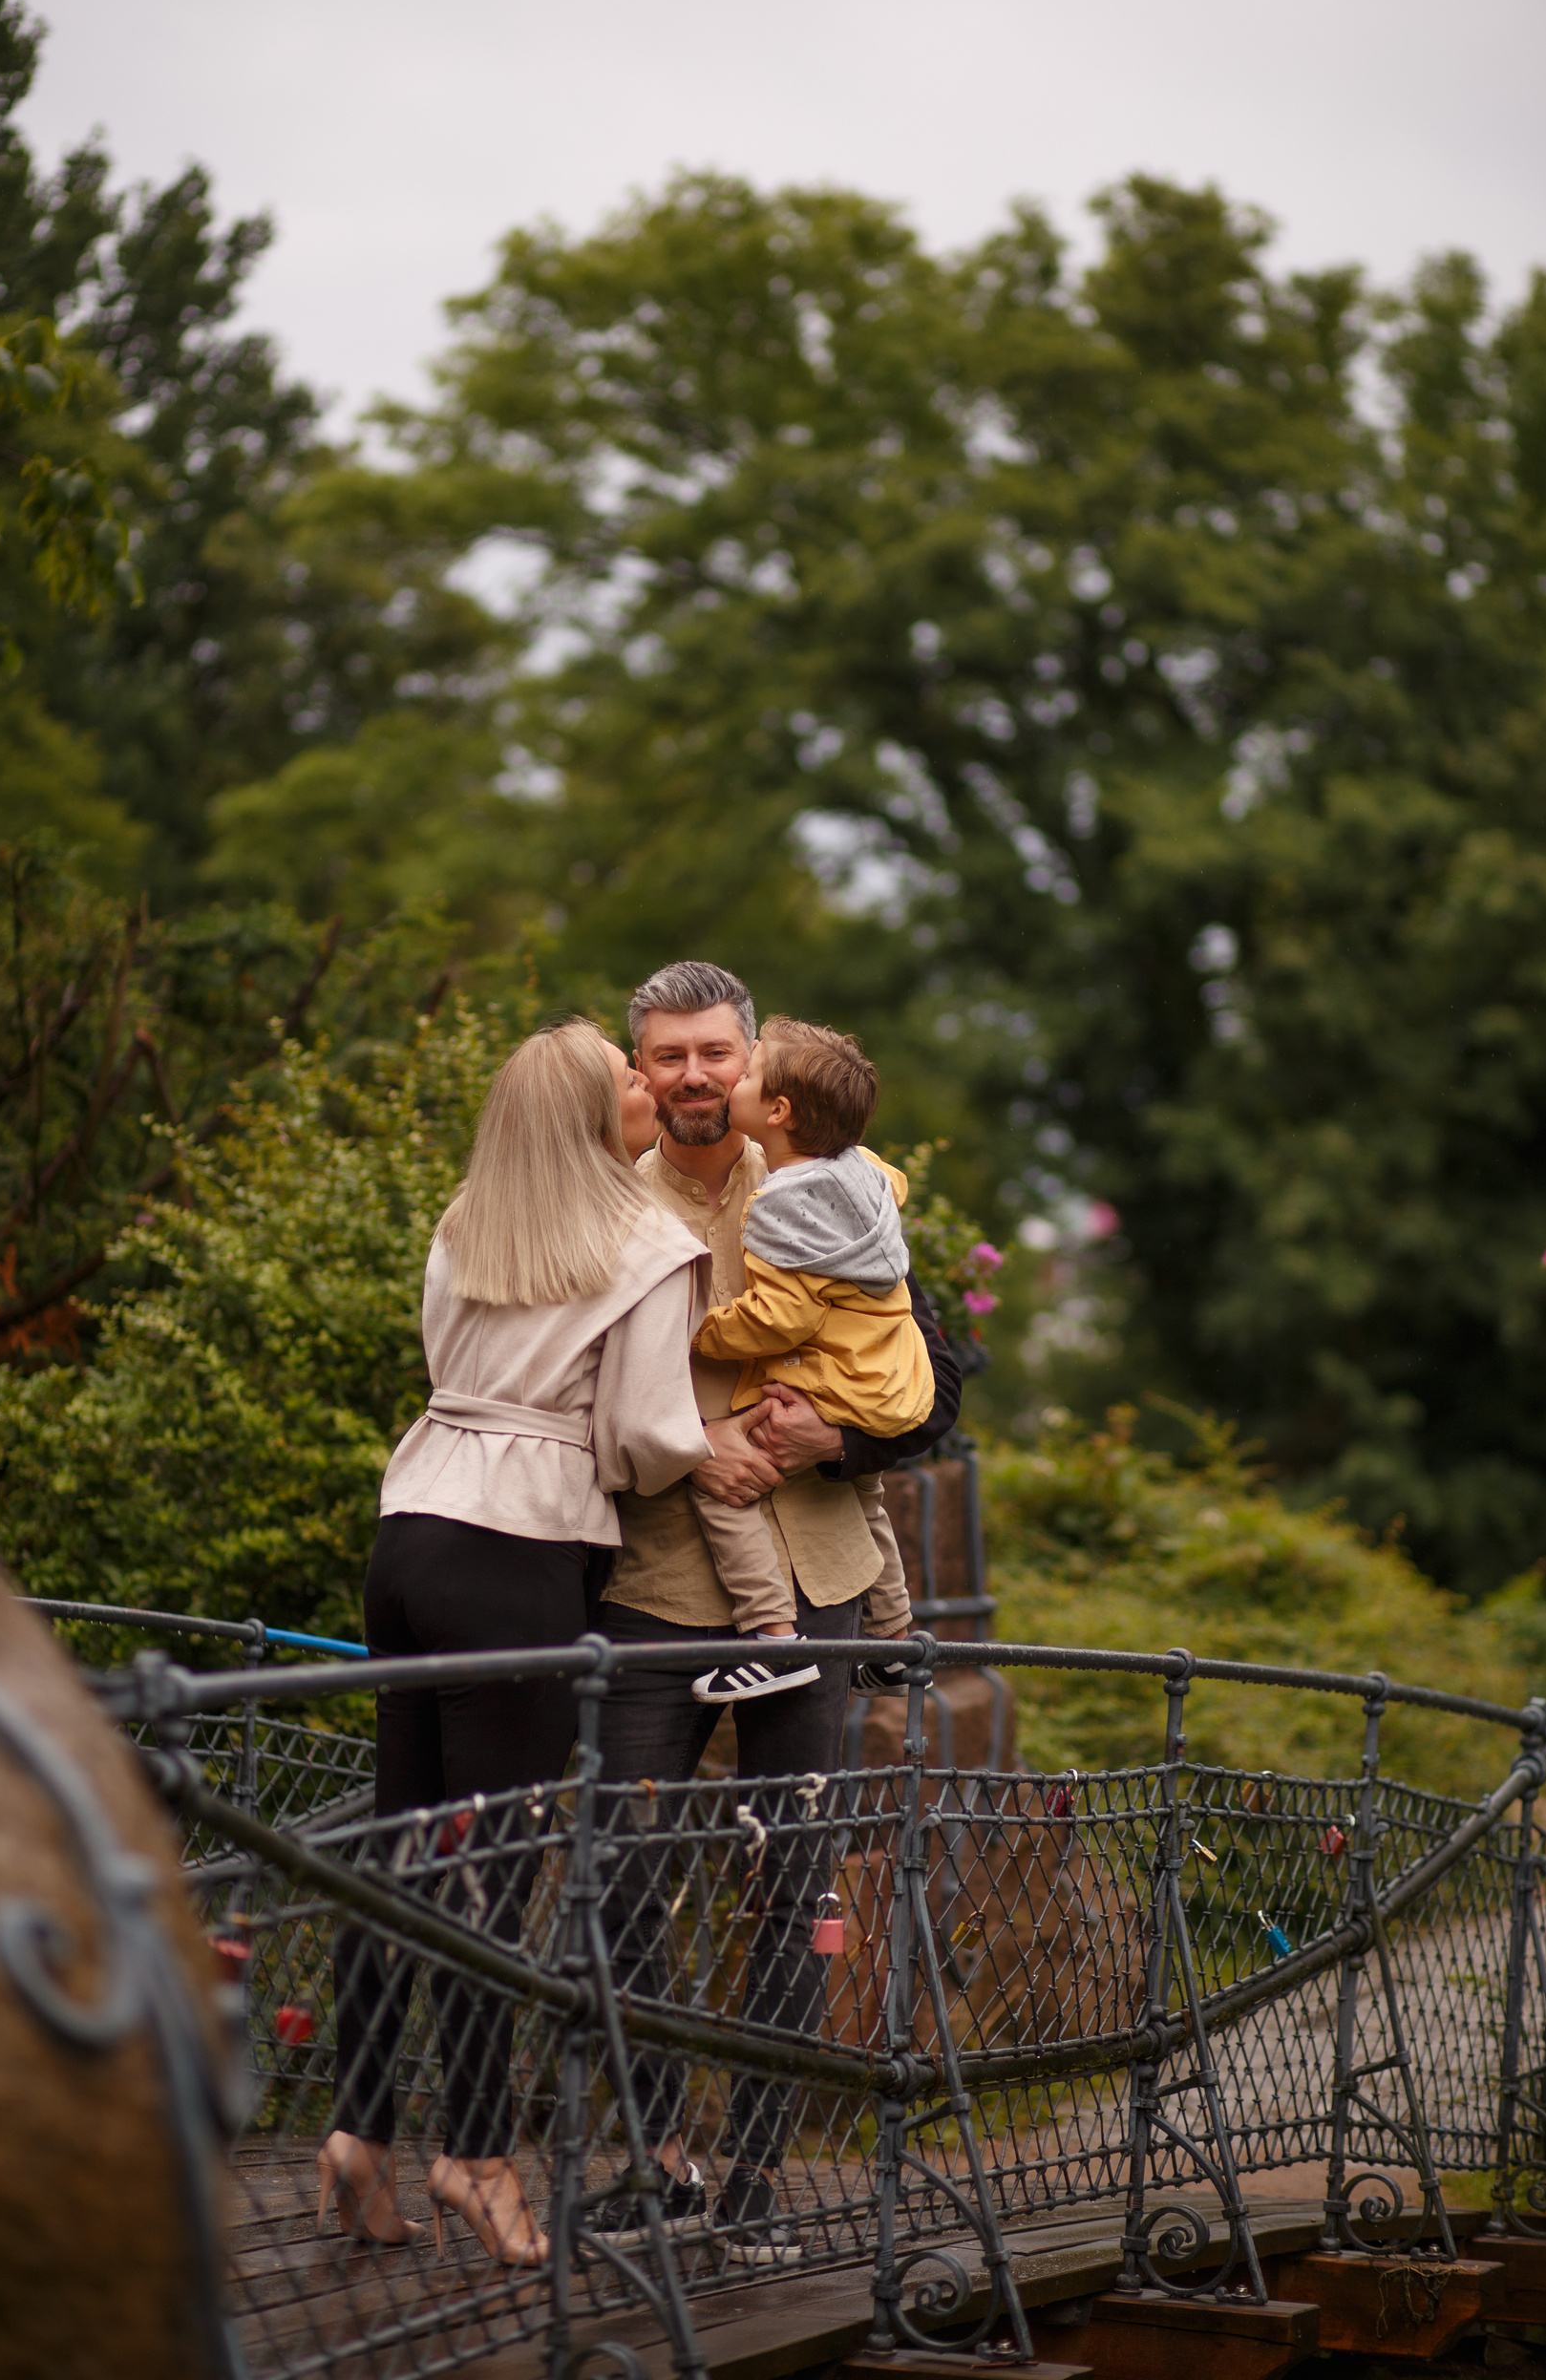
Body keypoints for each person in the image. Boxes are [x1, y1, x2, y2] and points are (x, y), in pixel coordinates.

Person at [316, 1020, 710, 2269]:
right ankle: (477, 2155)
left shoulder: (465, 1218)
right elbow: (648, 1434)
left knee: (404, 1850)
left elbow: (453, 1364)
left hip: (410, 1532)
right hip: (519, 1553)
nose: (650, 1086)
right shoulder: (651, 1246)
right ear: (597, 1115)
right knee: (502, 1860)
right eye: (629, 1075)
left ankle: (359, 2134)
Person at [588, 961, 963, 2264]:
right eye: (664, 1056)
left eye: (711, 1053)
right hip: (644, 1584)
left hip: (810, 1590)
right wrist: (696, 1446)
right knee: (619, 1874)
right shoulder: (597, 1204)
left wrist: (832, 1445)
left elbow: (929, 1385)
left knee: (793, 1885)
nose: (690, 1076)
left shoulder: (824, 1183)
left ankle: (751, 2177)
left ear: (749, 1065)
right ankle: (656, 2159)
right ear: (635, 1071)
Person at [685, 1015, 932, 1704]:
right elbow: (897, 1187)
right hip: (892, 1376)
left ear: (777, 1111)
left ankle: (770, 1638)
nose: (730, 1077)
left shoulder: (783, 1208)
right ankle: (894, 1637)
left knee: (724, 1471)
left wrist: (704, 1332)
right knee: (864, 1489)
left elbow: (780, 1318)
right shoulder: (862, 1171)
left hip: (839, 1386)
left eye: (747, 1068)